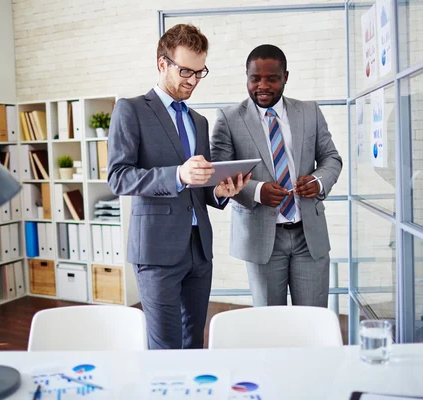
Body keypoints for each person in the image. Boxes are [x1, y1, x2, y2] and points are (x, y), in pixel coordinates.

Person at [107, 24, 248, 349]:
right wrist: (177, 176)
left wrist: (218, 191)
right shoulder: (131, 110)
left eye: (200, 73)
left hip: (199, 249)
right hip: (157, 252)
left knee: (194, 343)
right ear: (162, 64)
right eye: (186, 70)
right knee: (166, 348)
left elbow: (198, 186)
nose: (193, 80)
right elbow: (118, 177)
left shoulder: (198, 121)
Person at [211, 44, 342, 307]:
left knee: (313, 319)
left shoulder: (310, 111)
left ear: (285, 77)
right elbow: (220, 173)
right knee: (270, 324)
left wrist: (317, 181)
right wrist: (258, 191)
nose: (263, 86)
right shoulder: (229, 118)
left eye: (272, 78)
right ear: (246, 77)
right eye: (255, 78)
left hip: (309, 236)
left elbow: (331, 158)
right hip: (262, 239)